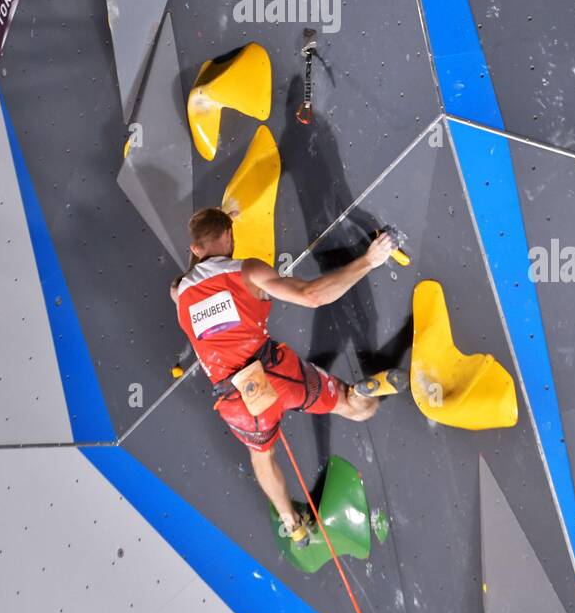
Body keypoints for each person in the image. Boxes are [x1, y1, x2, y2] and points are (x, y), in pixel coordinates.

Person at [171, 206, 408, 546]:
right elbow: (311, 296)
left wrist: (213, 230)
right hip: (275, 373)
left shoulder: (179, 295)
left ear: (194, 249)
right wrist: (370, 259)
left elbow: (190, 277)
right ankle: (362, 392)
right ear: (230, 237)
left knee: (262, 456)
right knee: (356, 408)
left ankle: (293, 524)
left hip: (238, 402)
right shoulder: (245, 270)